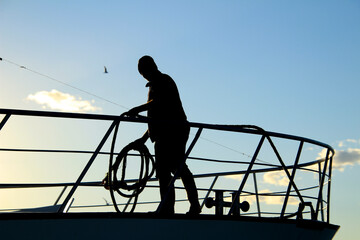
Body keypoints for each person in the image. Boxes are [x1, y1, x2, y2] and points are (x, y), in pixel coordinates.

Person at [125, 55, 201, 215]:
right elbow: (155, 117)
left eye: (144, 71)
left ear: (151, 68)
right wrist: (143, 139)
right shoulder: (155, 85)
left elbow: (158, 102)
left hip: (173, 131)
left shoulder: (164, 81)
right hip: (163, 133)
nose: (144, 75)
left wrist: (137, 110)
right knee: (165, 172)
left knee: (177, 168)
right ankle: (168, 209)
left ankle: (189, 206)